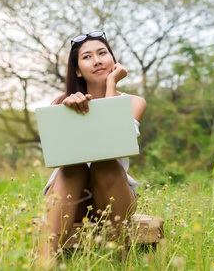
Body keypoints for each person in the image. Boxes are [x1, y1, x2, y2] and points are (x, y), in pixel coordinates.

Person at [39, 31, 146, 258]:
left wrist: (111, 85)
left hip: (111, 195)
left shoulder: (134, 102)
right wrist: (67, 112)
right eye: (87, 57)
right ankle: (44, 262)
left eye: (102, 53)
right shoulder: (60, 104)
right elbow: (56, 155)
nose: (97, 60)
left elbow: (113, 143)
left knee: (104, 163)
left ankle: (113, 257)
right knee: (74, 168)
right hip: (71, 196)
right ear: (77, 70)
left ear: (113, 61)